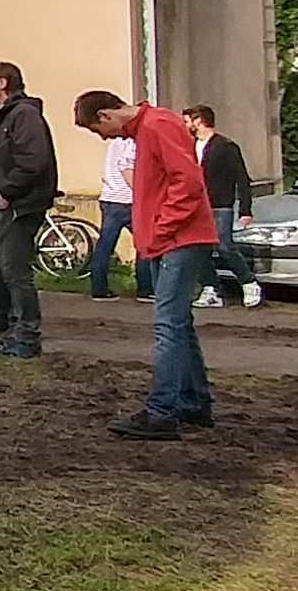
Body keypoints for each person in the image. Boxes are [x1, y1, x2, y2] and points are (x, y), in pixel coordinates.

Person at [74, 91, 218, 440]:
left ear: (106, 114)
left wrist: (161, 228)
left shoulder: (157, 126)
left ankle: (162, 411)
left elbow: (188, 182)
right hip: (172, 238)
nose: (103, 138)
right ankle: (193, 402)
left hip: (179, 239)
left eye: (97, 129)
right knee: (178, 324)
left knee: (168, 325)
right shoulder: (149, 127)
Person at [0, 63, 55, 360]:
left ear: (2, 83)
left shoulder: (23, 115)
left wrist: (7, 192)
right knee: (4, 269)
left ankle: (27, 335)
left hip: (18, 206)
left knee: (17, 272)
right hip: (0, 203)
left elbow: (33, 161)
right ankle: (12, 326)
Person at [186, 105, 265, 308]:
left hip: (220, 204)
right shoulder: (189, 146)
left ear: (198, 121)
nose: (185, 126)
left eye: (187, 121)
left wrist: (245, 208)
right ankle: (210, 288)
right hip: (197, 205)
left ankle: (249, 282)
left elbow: (242, 178)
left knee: (224, 245)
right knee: (198, 248)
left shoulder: (226, 146)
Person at [89, 125, 137, 302]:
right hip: (128, 199)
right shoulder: (132, 143)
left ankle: (98, 288)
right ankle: (146, 287)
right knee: (144, 243)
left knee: (104, 246)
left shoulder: (114, 143)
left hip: (109, 197)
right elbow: (127, 166)